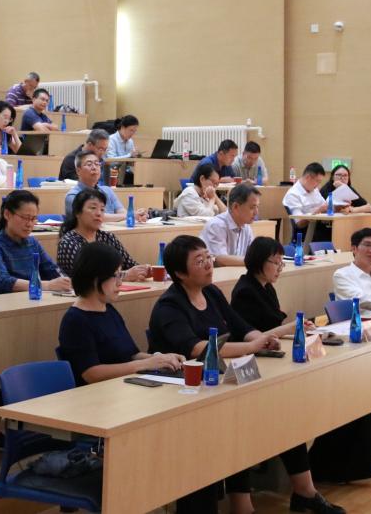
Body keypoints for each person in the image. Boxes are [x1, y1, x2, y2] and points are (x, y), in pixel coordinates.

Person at [148, 235, 279, 514]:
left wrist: (262, 339)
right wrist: (251, 346)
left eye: (208, 257)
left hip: (215, 381)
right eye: (199, 261)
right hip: (177, 391)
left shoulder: (212, 292)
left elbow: (240, 326)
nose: (209, 264)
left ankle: (242, 503)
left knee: (240, 423)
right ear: (180, 273)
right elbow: (197, 349)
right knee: (216, 433)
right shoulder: (169, 306)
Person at [231, 236, 357, 509]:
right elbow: (253, 335)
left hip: (269, 359)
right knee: (281, 414)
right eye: (275, 262)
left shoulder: (265, 287)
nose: (279, 268)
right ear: (259, 262)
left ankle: (305, 491)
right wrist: (290, 328)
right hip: (251, 367)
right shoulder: (245, 291)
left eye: (281, 262)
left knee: (291, 417)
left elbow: (271, 328)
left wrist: (293, 330)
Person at [57, 241, 183, 385]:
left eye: (120, 275)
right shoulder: (75, 320)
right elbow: (91, 374)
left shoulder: (108, 309)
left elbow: (131, 355)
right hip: (95, 393)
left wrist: (161, 359)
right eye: (115, 276)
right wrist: (146, 364)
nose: (120, 283)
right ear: (95, 278)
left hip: (120, 387)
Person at [0, 190, 72, 294]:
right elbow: (2, 281)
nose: (29, 224)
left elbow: (51, 269)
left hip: (31, 299)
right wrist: (47, 285)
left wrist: (65, 281)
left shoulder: (33, 243)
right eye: (25, 218)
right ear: (7, 214)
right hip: (5, 301)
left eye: (33, 219)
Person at [57, 188, 151, 279]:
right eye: (93, 208)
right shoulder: (68, 242)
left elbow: (129, 264)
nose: (99, 213)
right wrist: (123, 275)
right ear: (77, 213)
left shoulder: (108, 237)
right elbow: (85, 277)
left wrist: (143, 270)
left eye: (102, 209)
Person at [64, 150, 147, 223]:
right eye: (89, 164)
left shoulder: (107, 190)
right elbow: (96, 217)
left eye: (97, 164)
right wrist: (130, 215)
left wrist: (136, 215)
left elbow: (121, 211)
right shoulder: (72, 196)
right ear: (78, 171)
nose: (94, 167)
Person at [199, 183, 261, 266]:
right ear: (235, 207)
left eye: (257, 207)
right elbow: (221, 259)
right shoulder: (216, 225)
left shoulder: (246, 227)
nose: (256, 212)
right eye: (252, 207)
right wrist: (256, 261)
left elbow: (253, 254)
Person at [282, 162, 328, 234]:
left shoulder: (314, 190)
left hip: (320, 227)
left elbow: (324, 206)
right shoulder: (293, 195)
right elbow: (299, 223)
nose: (318, 185)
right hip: (307, 233)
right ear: (308, 178)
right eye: (317, 181)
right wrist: (317, 212)